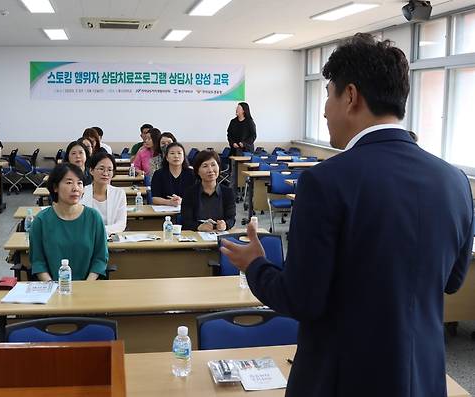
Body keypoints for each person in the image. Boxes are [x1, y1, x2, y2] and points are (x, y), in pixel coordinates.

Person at [220, 33, 474, 397]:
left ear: (351, 96)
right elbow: (452, 280)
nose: (324, 110)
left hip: (343, 378)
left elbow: (303, 300)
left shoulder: (326, 182)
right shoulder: (454, 180)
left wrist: (256, 264)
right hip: (423, 376)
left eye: (328, 95)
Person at [29, 163, 108, 281]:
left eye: (79, 183)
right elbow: (38, 261)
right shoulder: (41, 220)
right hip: (52, 288)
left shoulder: (94, 217)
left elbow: (100, 259)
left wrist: (87, 285)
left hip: (88, 287)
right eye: (69, 182)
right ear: (55, 187)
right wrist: (52, 287)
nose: (75, 188)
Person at [182, 150, 235, 231]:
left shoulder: (227, 192)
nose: (210, 170)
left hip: (220, 235)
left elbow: (231, 219)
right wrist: (199, 226)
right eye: (205, 166)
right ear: (197, 171)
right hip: (196, 236)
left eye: (213, 165)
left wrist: (225, 225)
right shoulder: (190, 193)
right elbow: (186, 221)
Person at [80, 152, 127, 234]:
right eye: (101, 169)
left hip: (112, 241)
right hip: (87, 240)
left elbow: (121, 224)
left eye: (109, 170)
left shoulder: (119, 193)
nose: (105, 173)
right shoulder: (81, 192)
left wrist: (99, 231)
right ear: (91, 170)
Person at [151, 142, 195, 207]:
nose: (176, 156)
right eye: (172, 153)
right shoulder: (158, 174)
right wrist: (169, 202)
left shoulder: (192, 174)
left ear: (184, 157)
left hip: (187, 210)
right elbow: (154, 199)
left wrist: (181, 201)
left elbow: (196, 197)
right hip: (164, 212)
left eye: (179, 153)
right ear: (167, 157)